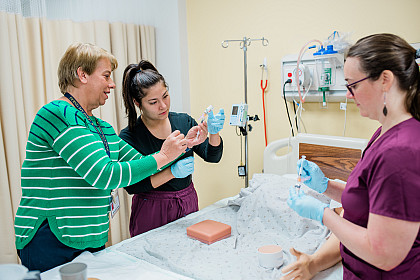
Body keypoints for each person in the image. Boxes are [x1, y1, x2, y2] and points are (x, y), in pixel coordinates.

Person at [14, 42, 191, 272]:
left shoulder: (102, 128)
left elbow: (143, 164)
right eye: (106, 75)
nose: (112, 84)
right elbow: (104, 174)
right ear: (82, 74)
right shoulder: (56, 114)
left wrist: (185, 144)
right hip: (51, 238)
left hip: (91, 238)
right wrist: (164, 155)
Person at [287, 33, 420, 279]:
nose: (349, 94)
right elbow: (370, 200)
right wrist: (325, 185)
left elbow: (384, 254)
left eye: (353, 85)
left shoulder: (401, 151)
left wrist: (322, 214)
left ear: (385, 80)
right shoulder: (382, 133)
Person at [119, 60, 225, 237]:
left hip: (187, 201)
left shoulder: (183, 122)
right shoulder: (130, 136)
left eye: (165, 96)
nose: (163, 105)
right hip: (152, 209)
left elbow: (212, 156)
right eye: (153, 102)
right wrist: (172, 172)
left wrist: (214, 133)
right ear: (138, 103)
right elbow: (132, 186)